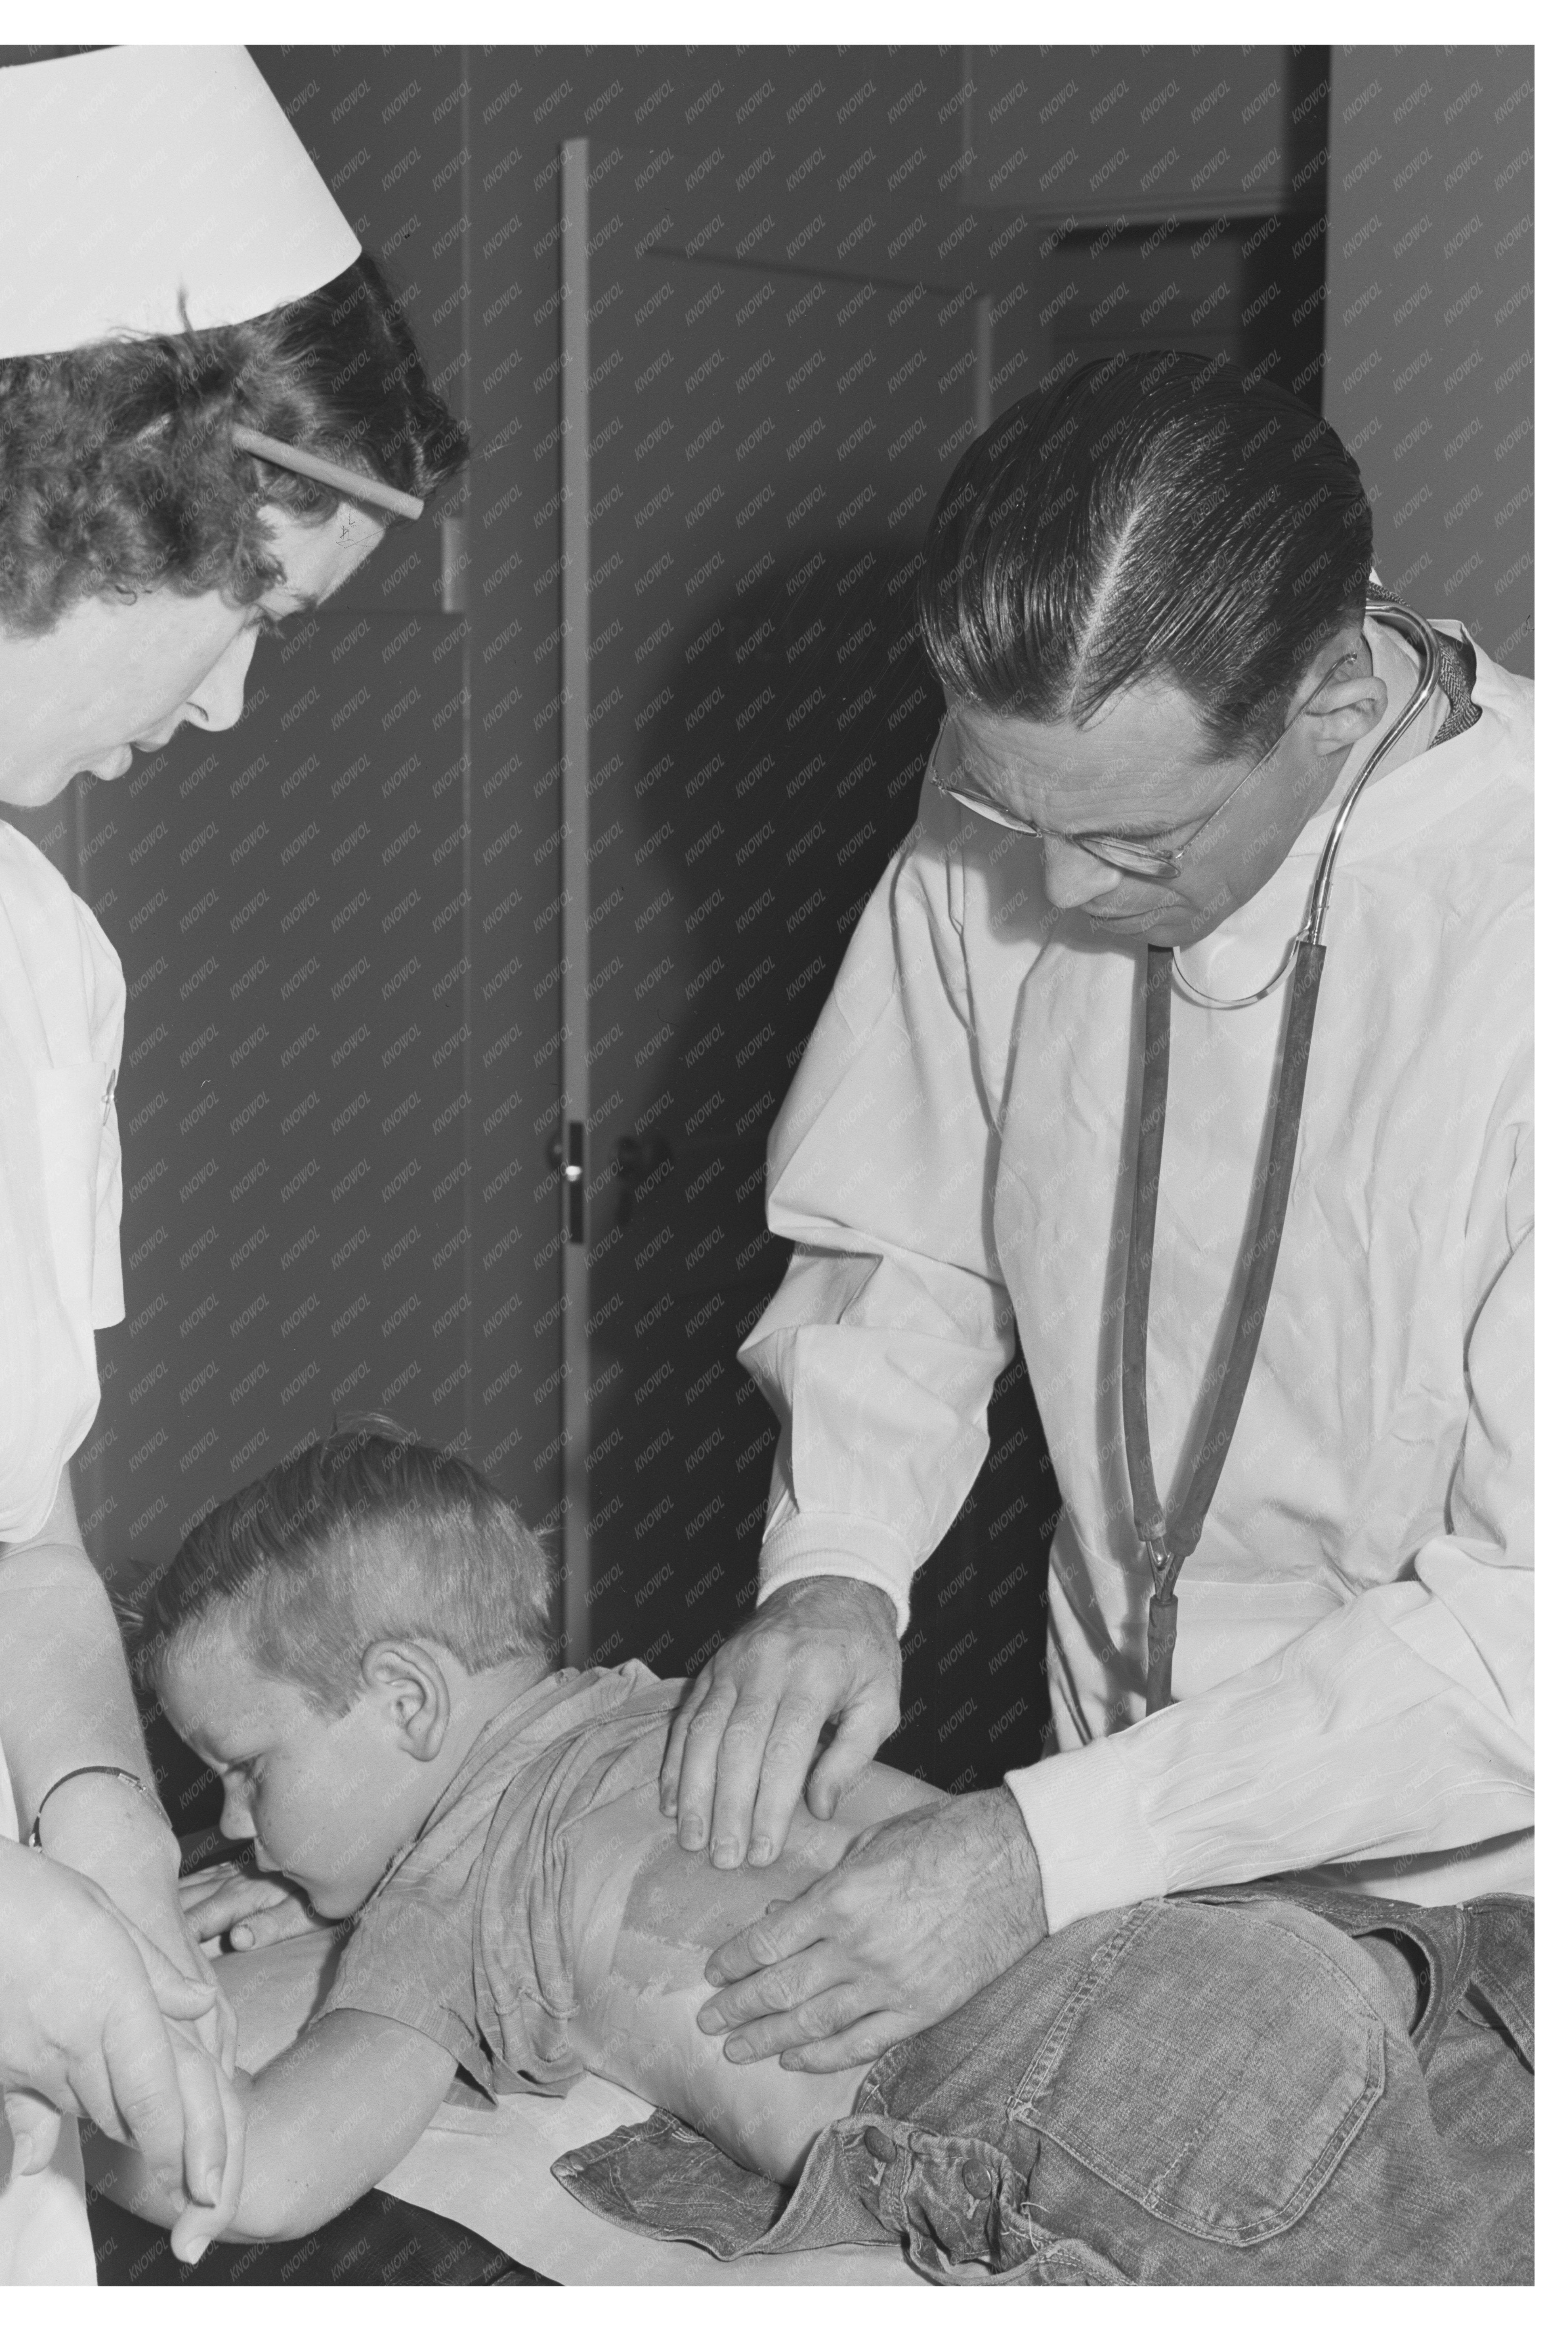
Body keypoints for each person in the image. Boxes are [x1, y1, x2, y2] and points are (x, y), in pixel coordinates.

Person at [655, 350, 1532, 2082]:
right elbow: (903, 1222)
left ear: (1338, 700)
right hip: (1105, 1812)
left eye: (1139, 844)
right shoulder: (1057, 766)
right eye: (1005, 815)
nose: (1051, 892)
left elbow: (1530, 1638)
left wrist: (1036, 1851)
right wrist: (838, 1566)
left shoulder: (1523, 937)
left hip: (1469, 1892)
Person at [0, 46, 466, 2281]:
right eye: (259, 617)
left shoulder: (28, 964)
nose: (220, 713)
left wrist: (101, 1829)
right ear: (94, 483)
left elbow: (7, 1535)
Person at [91, 1423, 1530, 2285]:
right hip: (1243, 1942)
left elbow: (262, 2175)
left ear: (406, 1700)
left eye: (244, 1769)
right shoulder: (657, 1709)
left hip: (1087, 2093)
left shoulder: (446, 1894)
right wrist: (308, 1889)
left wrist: (64, 2069)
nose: (226, 1819)